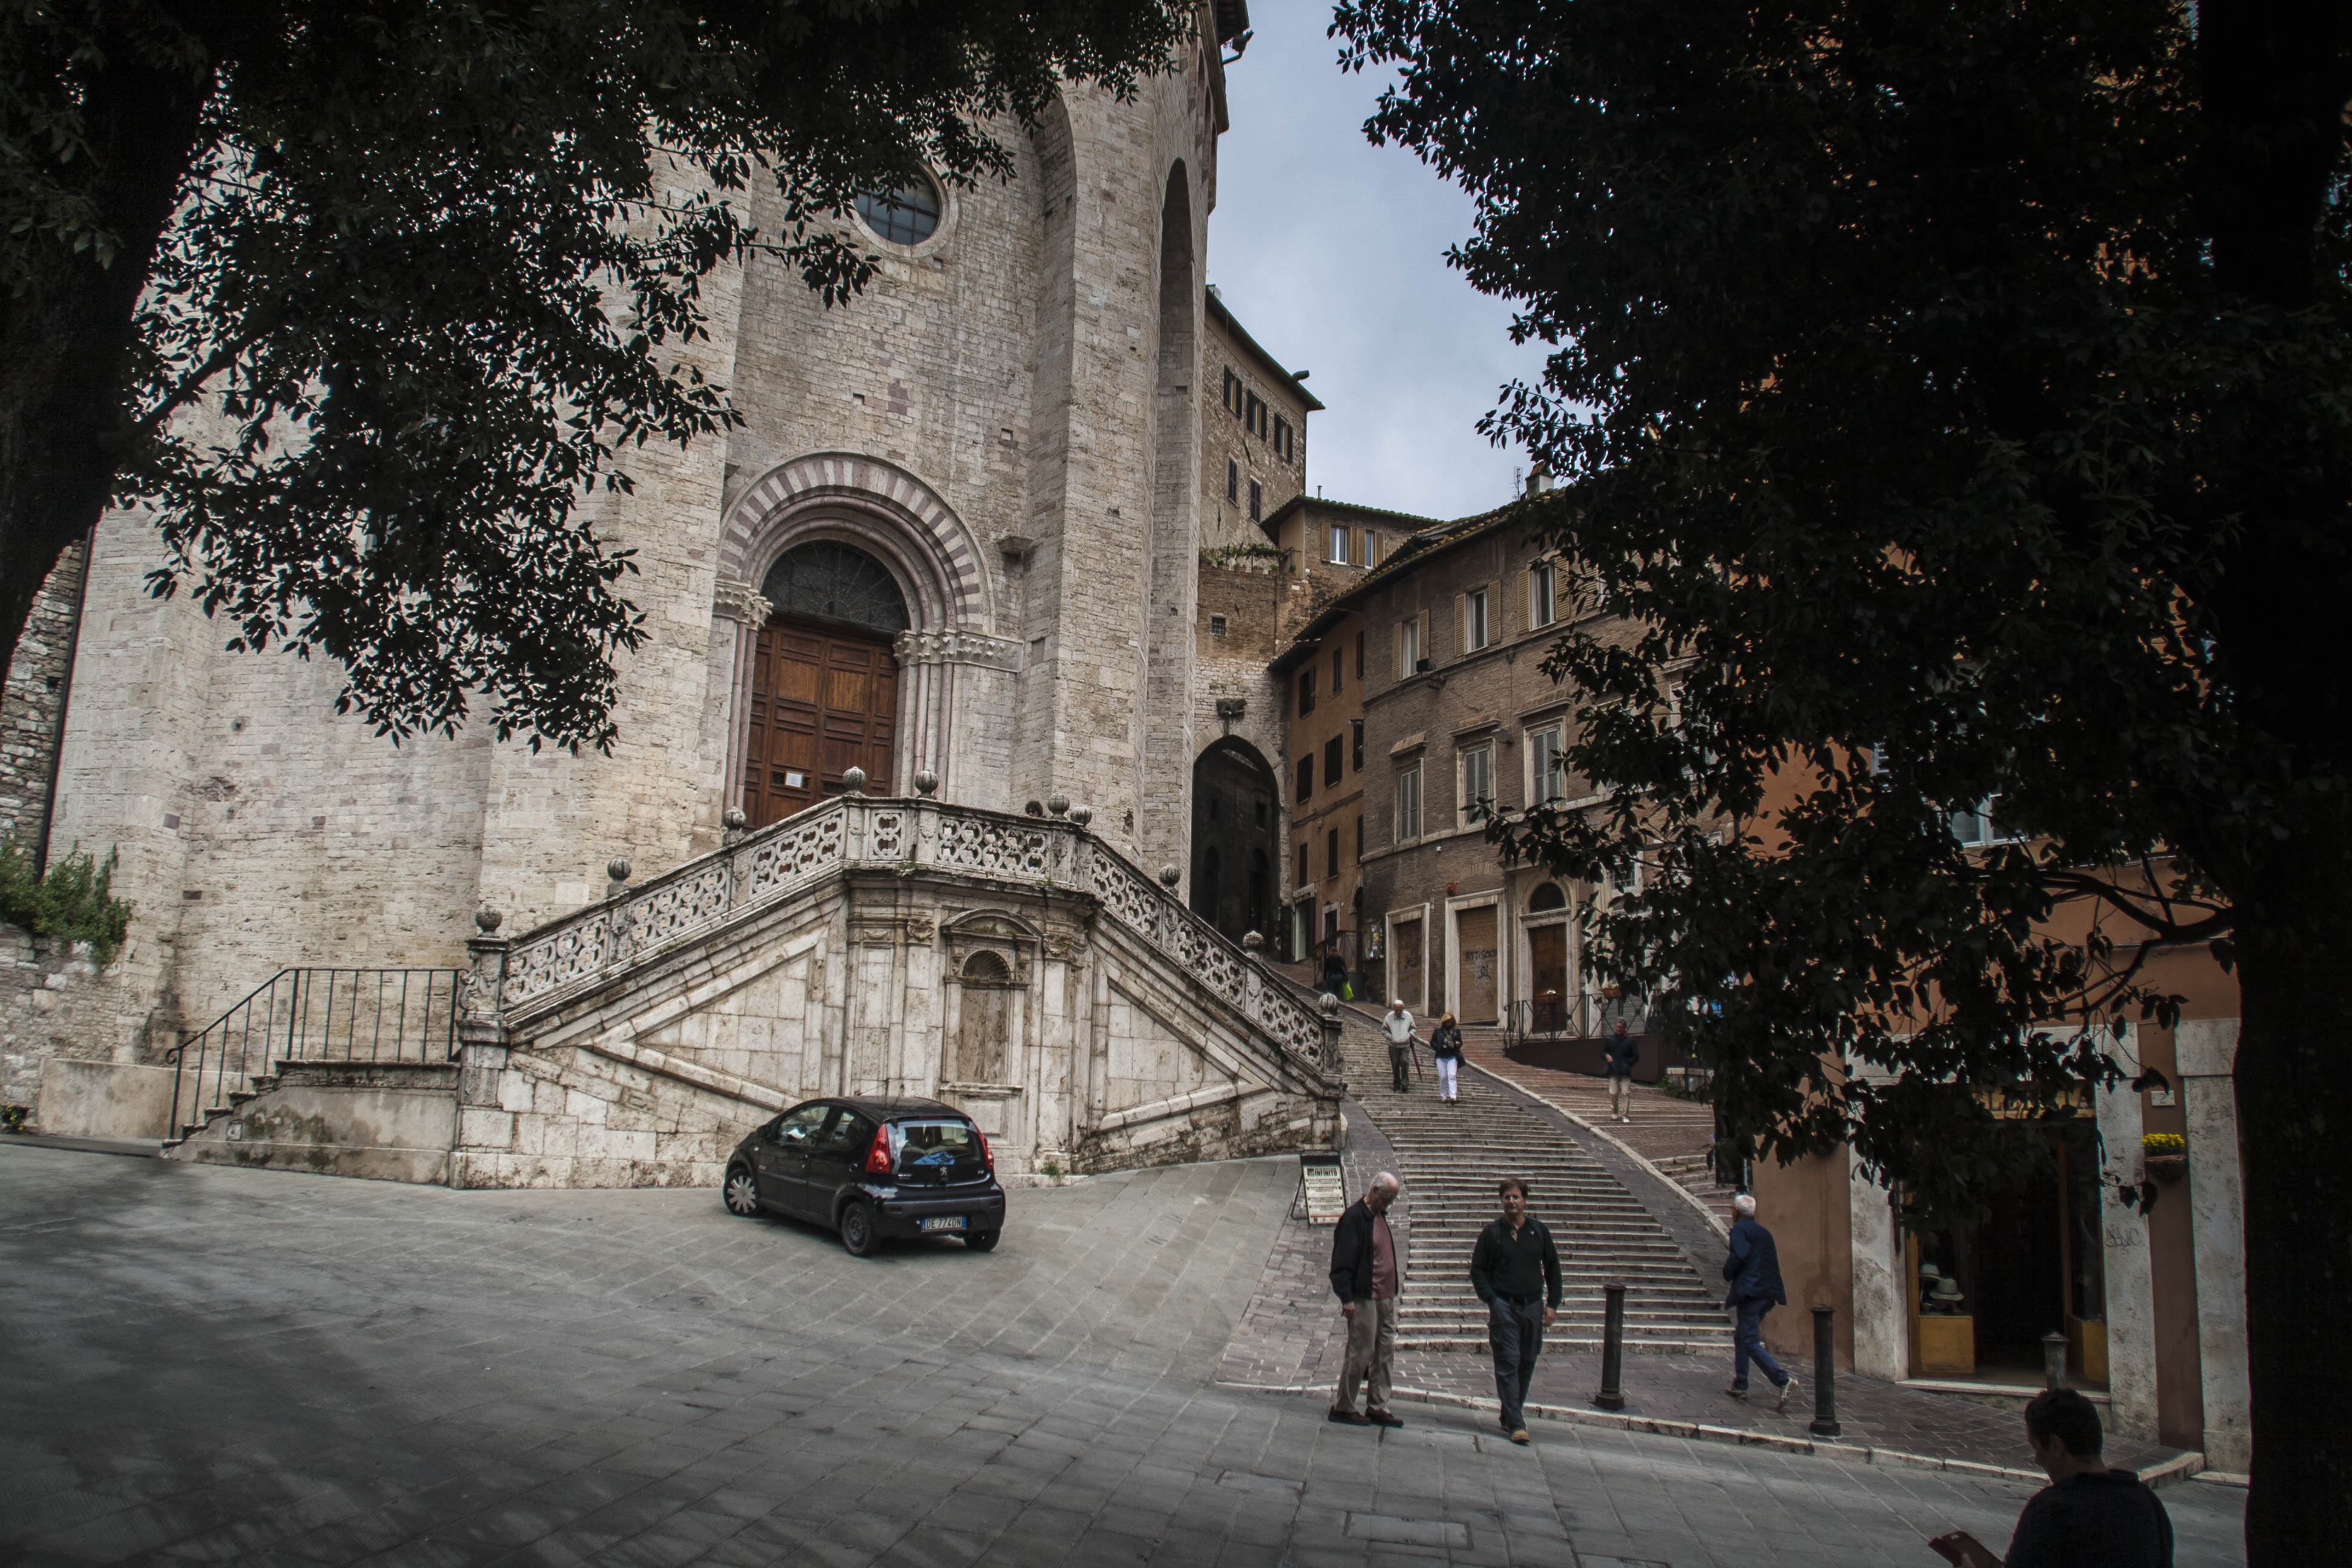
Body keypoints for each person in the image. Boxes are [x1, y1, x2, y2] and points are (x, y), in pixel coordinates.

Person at [1927, 1389, 2174, 1567]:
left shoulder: (2052, 1510)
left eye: (2037, 1448)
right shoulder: (2148, 1503)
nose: (2036, 1459)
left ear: (2056, 1446)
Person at [1469, 1176, 1561, 1445]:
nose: (1511, 1201)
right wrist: (1492, 1301)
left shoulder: (1539, 1232)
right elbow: (1477, 1270)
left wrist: (1553, 1303)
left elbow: (1553, 1268)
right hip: (1504, 1306)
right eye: (1507, 1197)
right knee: (1508, 1361)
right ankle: (1517, 1424)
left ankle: (1509, 1412)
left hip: (1532, 1305)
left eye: (1516, 1197)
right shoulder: (1492, 1234)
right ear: (1501, 1202)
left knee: (1528, 1360)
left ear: (1525, 1201)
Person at [1328, 1172, 1405, 1429]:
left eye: (1392, 1199)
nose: (1389, 1204)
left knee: (1385, 1350)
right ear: (1374, 1190)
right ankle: (1345, 1405)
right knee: (1361, 1350)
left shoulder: (1379, 1216)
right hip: (1364, 1295)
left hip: (1385, 1294)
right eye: (1387, 1198)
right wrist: (1346, 1298)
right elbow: (1342, 1262)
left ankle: (1378, 1404)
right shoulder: (1354, 1218)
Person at [1721, 1192, 1794, 1409]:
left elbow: (1740, 1255)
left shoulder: (1739, 1231)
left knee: (1750, 1340)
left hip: (1751, 1292)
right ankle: (1740, 1383)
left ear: (1735, 1211)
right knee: (1742, 1336)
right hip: (1768, 1292)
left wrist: (1727, 1272)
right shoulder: (1765, 1233)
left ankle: (1782, 1380)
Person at [1603, 1018, 1639, 1122]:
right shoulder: (1611, 1040)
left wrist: (1627, 1064)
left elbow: (1636, 1056)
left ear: (1625, 1028)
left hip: (1625, 1071)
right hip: (1614, 1070)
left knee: (1625, 1092)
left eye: (1621, 1027)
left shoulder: (1630, 1041)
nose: (1618, 1029)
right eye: (1617, 1027)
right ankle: (1615, 1111)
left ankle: (1625, 1115)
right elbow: (1604, 1051)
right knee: (1614, 1092)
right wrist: (1607, 1056)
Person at [1381, 999, 1417, 1093]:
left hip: (1405, 1045)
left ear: (1403, 1009)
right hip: (1393, 1045)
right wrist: (1390, 1037)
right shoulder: (1389, 1017)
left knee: (1404, 1062)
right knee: (1395, 1064)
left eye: (1400, 1010)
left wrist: (1409, 1035)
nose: (1398, 1012)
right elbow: (1384, 1030)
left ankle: (1405, 1083)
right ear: (1394, 1009)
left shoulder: (1408, 1017)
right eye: (1396, 1010)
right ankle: (1396, 1083)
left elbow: (1413, 1028)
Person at [1429, 1012, 1463, 1103]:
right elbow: (1432, 1042)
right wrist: (1438, 1047)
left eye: (1451, 1022)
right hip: (1441, 1057)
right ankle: (1444, 1096)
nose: (1449, 1024)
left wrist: (1457, 1044)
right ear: (1444, 1022)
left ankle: (1453, 1096)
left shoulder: (1456, 1032)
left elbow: (1460, 1042)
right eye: (1447, 1022)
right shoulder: (1438, 1032)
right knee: (1443, 1077)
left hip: (1452, 1056)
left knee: (1452, 1076)